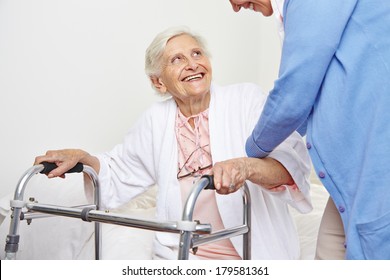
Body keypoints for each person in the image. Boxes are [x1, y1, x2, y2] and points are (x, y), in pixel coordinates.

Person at [34, 26, 313, 260]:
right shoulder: (155, 119)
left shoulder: (247, 100)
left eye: (197, 53)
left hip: (253, 251)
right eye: (176, 59)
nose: (192, 63)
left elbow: (290, 165)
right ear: (159, 83)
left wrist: (246, 167)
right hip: (181, 255)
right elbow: (119, 170)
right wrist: (86, 160)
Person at [228, 0, 390, 260]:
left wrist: (250, 151)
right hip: (356, 175)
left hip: (377, 166)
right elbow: (303, 107)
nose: (234, 7)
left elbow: (293, 95)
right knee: (328, 251)